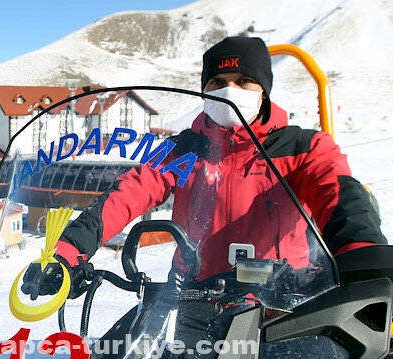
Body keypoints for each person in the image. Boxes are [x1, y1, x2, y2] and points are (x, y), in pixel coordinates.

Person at [21, 36, 388, 355]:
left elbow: (339, 195)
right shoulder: (185, 151)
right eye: (218, 82)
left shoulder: (302, 149)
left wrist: (363, 255)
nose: (230, 91)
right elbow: (128, 193)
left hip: (281, 304)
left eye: (244, 81)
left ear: (263, 91)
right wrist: (66, 253)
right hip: (195, 298)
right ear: (204, 90)